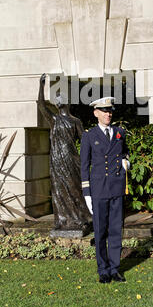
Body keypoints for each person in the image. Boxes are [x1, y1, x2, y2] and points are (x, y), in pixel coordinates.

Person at [80, 97, 130, 283]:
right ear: (96, 113)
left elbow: (124, 152)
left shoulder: (119, 132)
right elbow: (84, 166)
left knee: (116, 230)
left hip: (116, 188)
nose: (108, 114)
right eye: (104, 111)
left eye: (110, 111)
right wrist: (87, 193)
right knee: (100, 232)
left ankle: (115, 269)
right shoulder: (89, 136)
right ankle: (103, 270)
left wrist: (126, 161)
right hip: (99, 190)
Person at [38, 73, 92, 232]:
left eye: (62, 98)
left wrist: (87, 159)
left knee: (75, 188)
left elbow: (84, 141)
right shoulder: (53, 119)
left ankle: (81, 218)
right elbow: (41, 105)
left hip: (72, 159)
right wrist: (41, 86)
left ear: (67, 103)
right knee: (58, 189)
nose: (60, 101)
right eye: (57, 99)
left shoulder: (75, 121)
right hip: (57, 160)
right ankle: (61, 220)